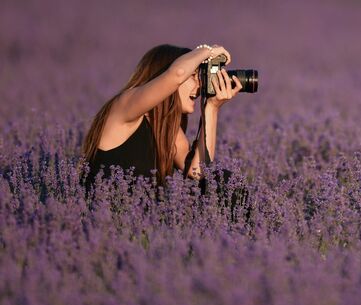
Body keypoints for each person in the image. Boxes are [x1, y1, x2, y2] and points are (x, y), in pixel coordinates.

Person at [81, 44, 250, 220]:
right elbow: (176, 74)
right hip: (106, 221)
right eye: (193, 76)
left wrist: (212, 109)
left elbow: (198, 172)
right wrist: (207, 51)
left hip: (144, 225)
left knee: (223, 181)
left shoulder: (166, 127)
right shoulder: (124, 106)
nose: (200, 84)